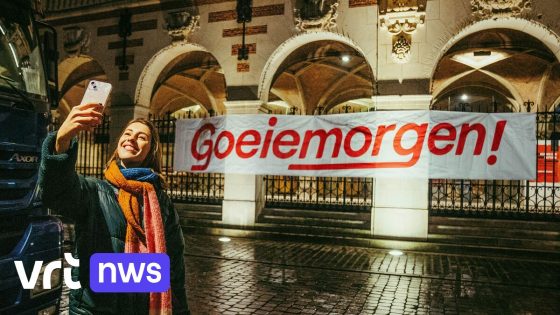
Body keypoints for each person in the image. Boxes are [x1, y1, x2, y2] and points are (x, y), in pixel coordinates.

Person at [39, 103, 189, 315]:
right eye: (127, 133)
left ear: (151, 150)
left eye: (141, 137)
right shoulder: (94, 191)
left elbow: (174, 269)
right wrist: (62, 141)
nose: (131, 138)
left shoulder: (161, 204)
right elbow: (56, 193)